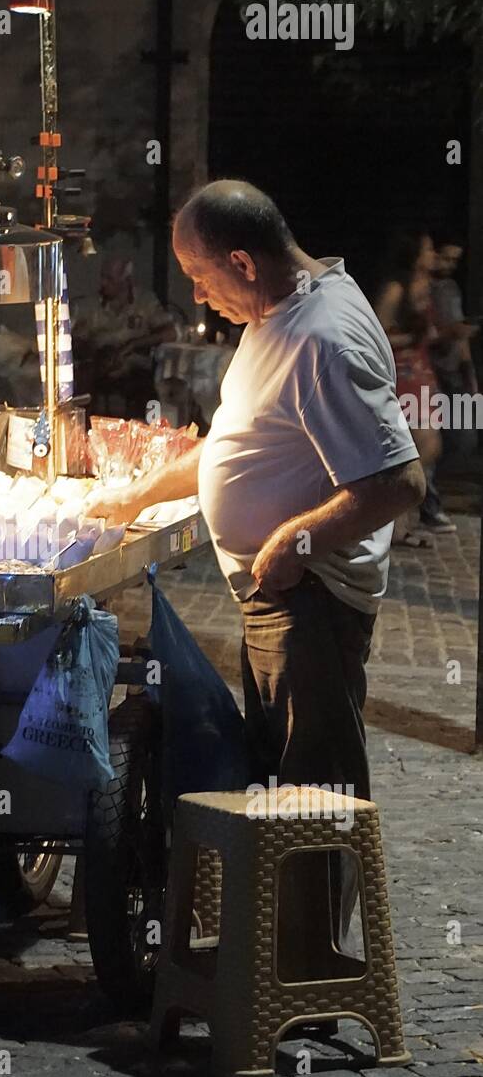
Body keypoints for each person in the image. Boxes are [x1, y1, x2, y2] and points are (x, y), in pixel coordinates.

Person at [85, 180, 424, 946]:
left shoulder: (321, 339)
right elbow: (238, 441)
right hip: (282, 600)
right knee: (282, 775)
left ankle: (307, 970)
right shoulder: (280, 314)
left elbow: (397, 481)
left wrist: (287, 546)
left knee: (313, 786)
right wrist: (141, 492)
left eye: (204, 278)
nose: (201, 297)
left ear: (243, 259)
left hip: (309, 602)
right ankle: (282, 955)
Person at [373, 231, 453, 540]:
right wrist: (409, 338)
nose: (432, 253)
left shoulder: (427, 288)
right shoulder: (397, 288)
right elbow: (377, 335)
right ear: (415, 255)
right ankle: (390, 520)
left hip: (422, 373)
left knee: (427, 449)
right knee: (419, 448)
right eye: (428, 249)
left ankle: (400, 520)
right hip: (403, 374)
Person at [72, 257, 177, 414]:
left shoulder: (145, 302)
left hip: (135, 367)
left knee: (149, 391)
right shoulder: (89, 306)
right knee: (81, 383)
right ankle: (82, 428)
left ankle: (151, 430)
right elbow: (73, 339)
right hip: (99, 365)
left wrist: (133, 345)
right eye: (103, 277)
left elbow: (170, 332)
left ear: (126, 280)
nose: (103, 283)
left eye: (110, 279)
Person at [430, 232, 479, 472]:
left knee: (466, 432)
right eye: (445, 258)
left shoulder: (450, 288)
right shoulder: (422, 288)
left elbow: (460, 337)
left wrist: (468, 370)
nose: (449, 266)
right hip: (432, 371)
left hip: (453, 371)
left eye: (454, 261)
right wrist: (450, 333)